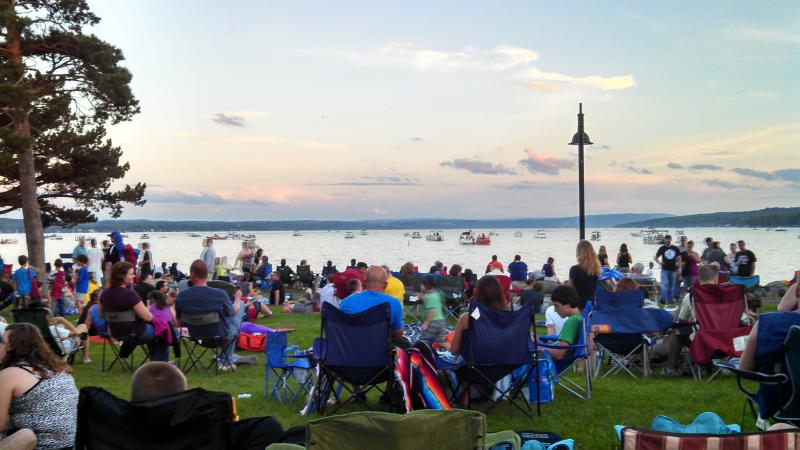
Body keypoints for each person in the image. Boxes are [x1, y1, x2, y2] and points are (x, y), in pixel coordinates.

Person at [129, 361, 288, 448]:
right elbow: (269, 426)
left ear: (132, 399)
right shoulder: (206, 431)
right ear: (185, 399)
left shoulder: (115, 433)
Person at [0, 323, 79, 450]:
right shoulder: (57, 369)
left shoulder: (10, 374)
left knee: (22, 435)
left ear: (12, 348)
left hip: (38, 445)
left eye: (3, 343)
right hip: (68, 445)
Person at [175, 260, 253, 370]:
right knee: (237, 309)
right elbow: (232, 313)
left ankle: (225, 358)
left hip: (194, 336)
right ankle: (226, 360)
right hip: (218, 337)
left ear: (192, 274)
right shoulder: (219, 294)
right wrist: (237, 298)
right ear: (207, 274)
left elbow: (178, 322)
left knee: (229, 317)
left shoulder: (181, 296)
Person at [99, 261, 169, 362]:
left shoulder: (104, 294)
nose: (134, 276)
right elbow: (148, 317)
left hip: (115, 332)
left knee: (153, 330)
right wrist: (148, 309)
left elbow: (101, 315)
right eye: (131, 274)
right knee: (162, 330)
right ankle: (161, 364)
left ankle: (156, 361)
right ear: (122, 276)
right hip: (134, 333)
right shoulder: (130, 295)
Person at [661, 264, 719, 376]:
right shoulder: (727, 294)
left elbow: (682, 320)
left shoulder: (692, 295)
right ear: (716, 279)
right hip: (726, 341)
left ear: (698, 278)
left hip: (702, 339)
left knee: (677, 333)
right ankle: (726, 365)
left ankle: (670, 368)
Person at [339, 266, 407, 345]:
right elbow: (397, 334)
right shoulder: (394, 303)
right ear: (385, 285)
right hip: (378, 353)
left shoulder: (345, 302)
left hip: (349, 351)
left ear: (364, 283)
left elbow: (341, 331)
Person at [449, 275, 508, 355]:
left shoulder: (467, 318)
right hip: (504, 365)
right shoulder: (509, 318)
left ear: (477, 292)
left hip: (475, 365)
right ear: (499, 293)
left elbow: (454, 350)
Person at [537, 286, 582, 361]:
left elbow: (558, 354)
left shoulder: (572, 321)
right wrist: (538, 342)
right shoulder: (578, 318)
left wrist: (535, 346)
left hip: (551, 362)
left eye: (556, 306)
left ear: (568, 304)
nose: (554, 310)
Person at [567, 241, 601, 309]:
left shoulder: (575, 269)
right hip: (592, 305)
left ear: (579, 253)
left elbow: (568, 289)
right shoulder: (596, 270)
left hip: (578, 306)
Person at [654, 234, 682, 304]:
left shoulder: (675, 248)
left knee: (672, 285)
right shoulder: (662, 248)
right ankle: (663, 299)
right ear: (664, 240)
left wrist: (680, 268)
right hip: (665, 269)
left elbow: (679, 259)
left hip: (673, 270)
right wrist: (660, 263)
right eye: (666, 239)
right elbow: (655, 258)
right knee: (665, 284)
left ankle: (670, 299)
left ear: (671, 240)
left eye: (669, 239)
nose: (667, 241)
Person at [420, 278, 448, 347]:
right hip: (441, 321)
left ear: (426, 285)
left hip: (433, 323)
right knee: (441, 342)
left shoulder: (429, 297)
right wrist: (422, 291)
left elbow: (432, 311)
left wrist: (426, 323)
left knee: (423, 341)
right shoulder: (436, 294)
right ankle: (454, 351)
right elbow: (421, 298)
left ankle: (422, 355)